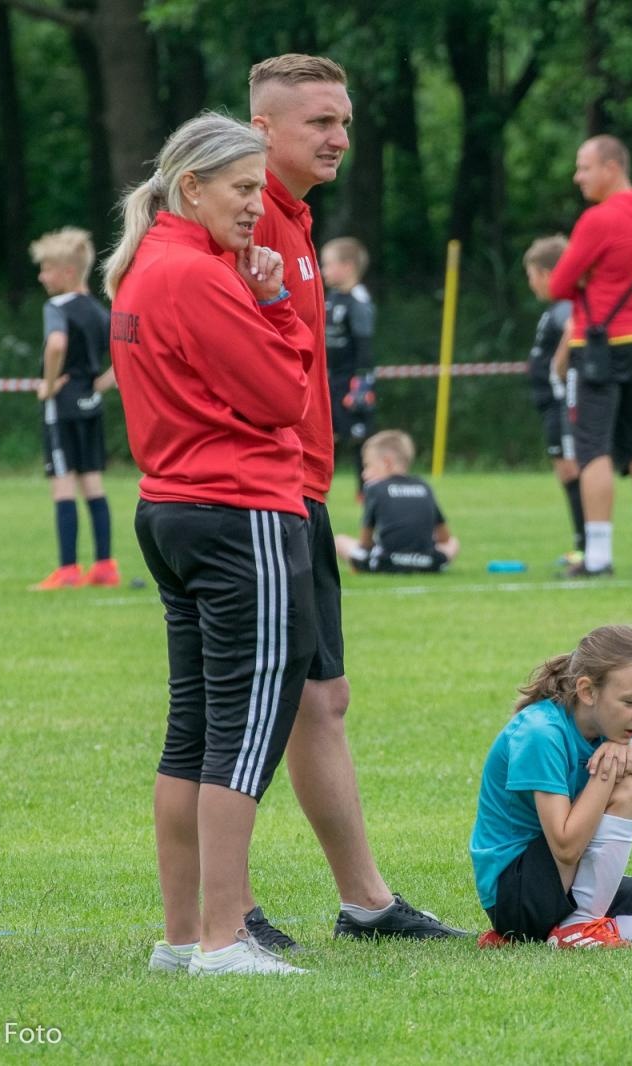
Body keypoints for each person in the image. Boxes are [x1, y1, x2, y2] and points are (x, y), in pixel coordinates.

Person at [243, 54, 465, 947]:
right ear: (262, 130)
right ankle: (229, 906)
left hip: (305, 490)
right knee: (249, 706)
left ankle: (366, 904)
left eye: (343, 121)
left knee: (322, 700)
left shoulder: (294, 218)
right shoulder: (241, 208)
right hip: (254, 495)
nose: (339, 138)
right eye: (318, 123)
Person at [103, 113, 316, 976]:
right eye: (241, 188)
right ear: (191, 186)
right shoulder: (194, 274)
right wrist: (277, 305)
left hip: (174, 509)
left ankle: (183, 936)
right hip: (240, 512)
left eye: (260, 189)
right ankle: (226, 939)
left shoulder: (152, 265)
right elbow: (281, 396)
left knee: (192, 731)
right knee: (244, 729)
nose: (254, 205)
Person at [470, 624, 632, 948]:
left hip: (576, 880)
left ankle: (580, 932)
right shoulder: (541, 733)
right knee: (628, 789)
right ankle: (579, 927)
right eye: (631, 701)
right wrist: (608, 774)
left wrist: (629, 765)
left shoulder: (612, 728)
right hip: (517, 896)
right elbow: (565, 847)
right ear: (588, 692)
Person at [549, 135, 632, 578]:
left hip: (598, 342)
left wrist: (586, 282)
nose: (578, 177)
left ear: (612, 168)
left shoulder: (599, 219)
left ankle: (598, 555)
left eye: (585, 167)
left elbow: (559, 284)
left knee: (592, 446)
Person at [27, 227, 118, 591]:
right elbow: (128, 350)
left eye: (46, 268)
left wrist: (48, 385)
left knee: (63, 484)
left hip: (62, 406)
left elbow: (55, 346)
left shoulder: (57, 307)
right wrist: (103, 382)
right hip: (91, 404)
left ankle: (67, 569)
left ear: (66, 273)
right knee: (93, 482)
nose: (41, 276)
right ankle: (105, 565)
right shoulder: (98, 311)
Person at [522, 234, 584, 565]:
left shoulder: (563, 307)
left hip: (563, 402)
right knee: (566, 470)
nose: (531, 284)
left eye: (531, 276)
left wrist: (558, 367)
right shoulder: (555, 308)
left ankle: (586, 546)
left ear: (547, 273)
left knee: (572, 469)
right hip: (551, 403)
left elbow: (575, 330)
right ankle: (583, 544)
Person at [333, 430, 459, 574]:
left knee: (340, 541)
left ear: (387, 463)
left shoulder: (375, 489)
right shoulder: (424, 486)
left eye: (367, 466)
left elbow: (365, 543)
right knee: (453, 543)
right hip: (428, 562)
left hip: (386, 562)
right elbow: (445, 537)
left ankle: (360, 566)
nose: (364, 474)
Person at [321, 236, 376, 492]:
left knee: (358, 437)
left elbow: (365, 349)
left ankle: (365, 490)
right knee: (324, 436)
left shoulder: (359, 301)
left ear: (348, 266)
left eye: (328, 264)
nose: (324, 270)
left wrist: (361, 387)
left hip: (350, 381)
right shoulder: (331, 299)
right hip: (328, 380)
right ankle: (317, 487)